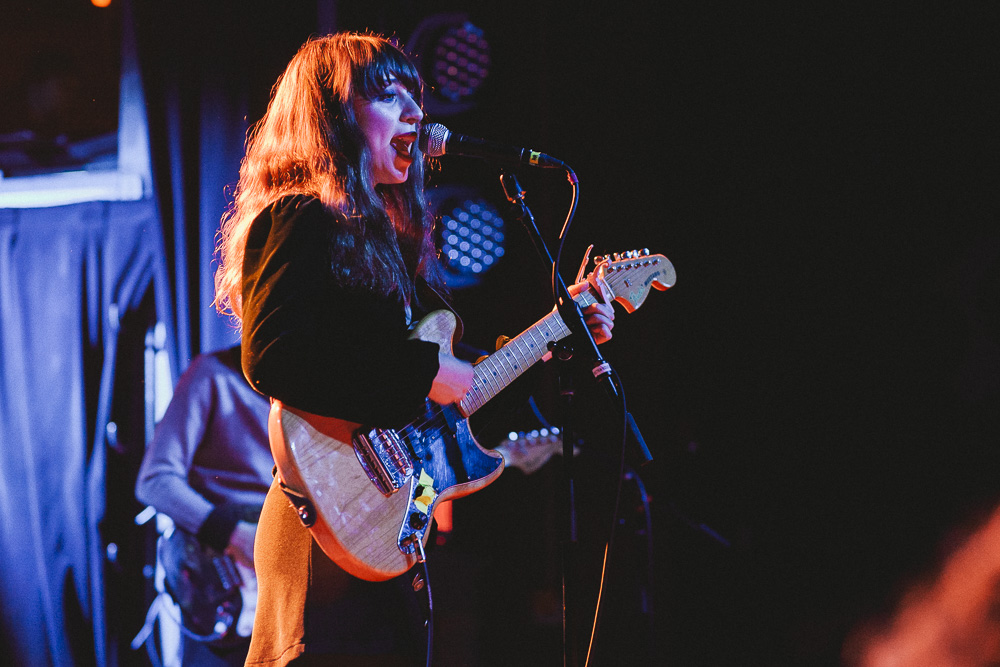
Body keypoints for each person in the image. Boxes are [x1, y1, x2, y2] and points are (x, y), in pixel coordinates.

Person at [213, 32, 615, 666]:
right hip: (322, 527)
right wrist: (427, 370)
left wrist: (560, 336)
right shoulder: (298, 216)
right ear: (332, 116)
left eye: (415, 96)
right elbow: (274, 355)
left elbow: (456, 391)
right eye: (388, 95)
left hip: (394, 526)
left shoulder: (393, 246)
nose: (415, 113)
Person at [135, 344, 273, 666]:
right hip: (226, 578)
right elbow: (154, 480)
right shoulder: (212, 373)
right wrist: (235, 536)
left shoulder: (322, 390)